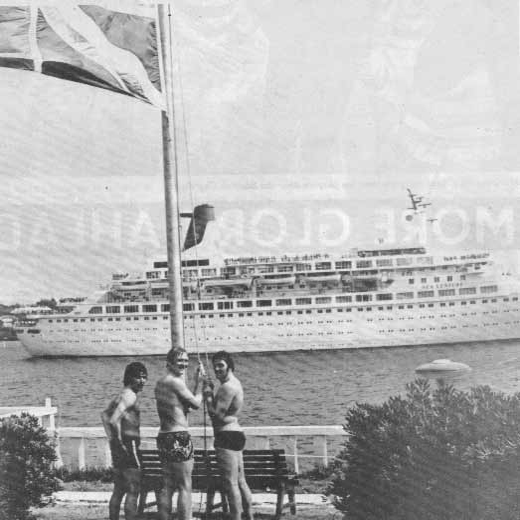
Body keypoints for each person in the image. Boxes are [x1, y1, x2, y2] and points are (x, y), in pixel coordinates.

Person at [154, 347, 204, 520]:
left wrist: (196, 382)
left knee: (167, 485)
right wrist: (202, 386)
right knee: (185, 485)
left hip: (164, 436)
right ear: (169, 363)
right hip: (179, 436)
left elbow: (183, 405)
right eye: (179, 360)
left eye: (185, 360)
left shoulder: (160, 382)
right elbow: (196, 403)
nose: (183, 364)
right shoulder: (176, 382)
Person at [203, 350, 254, 520]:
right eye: (215, 366)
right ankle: (250, 517)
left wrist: (208, 395)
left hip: (226, 436)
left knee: (230, 483)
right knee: (240, 481)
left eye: (221, 365)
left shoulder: (227, 387)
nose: (217, 369)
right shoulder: (235, 383)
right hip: (236, 433)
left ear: (229, 366)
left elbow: (215, 415)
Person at [101, 361, 148, 520]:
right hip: (130, 445)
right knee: (133, 489)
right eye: (138, 377)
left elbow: (105, 415)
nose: (142, 381)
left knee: (119, 489)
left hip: (119, 447)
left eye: (144, 377)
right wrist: (120, 441)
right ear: (129, 378)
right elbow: (114, 420)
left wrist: (112, 439)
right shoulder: (130, 395)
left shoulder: (121, 394)